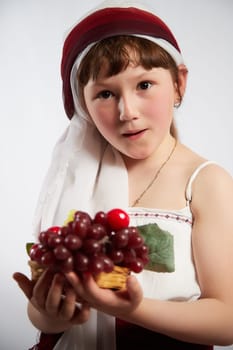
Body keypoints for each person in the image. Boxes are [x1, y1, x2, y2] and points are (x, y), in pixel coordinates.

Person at [13, 1, 233, 349]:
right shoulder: (74, 180)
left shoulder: (206, 182)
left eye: (144, 85)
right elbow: (44, 320)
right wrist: (50, 311)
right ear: (83, 105)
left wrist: (135, 309)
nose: (127, 112)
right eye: (105, 93)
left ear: (179, 84)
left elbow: (227, 320)